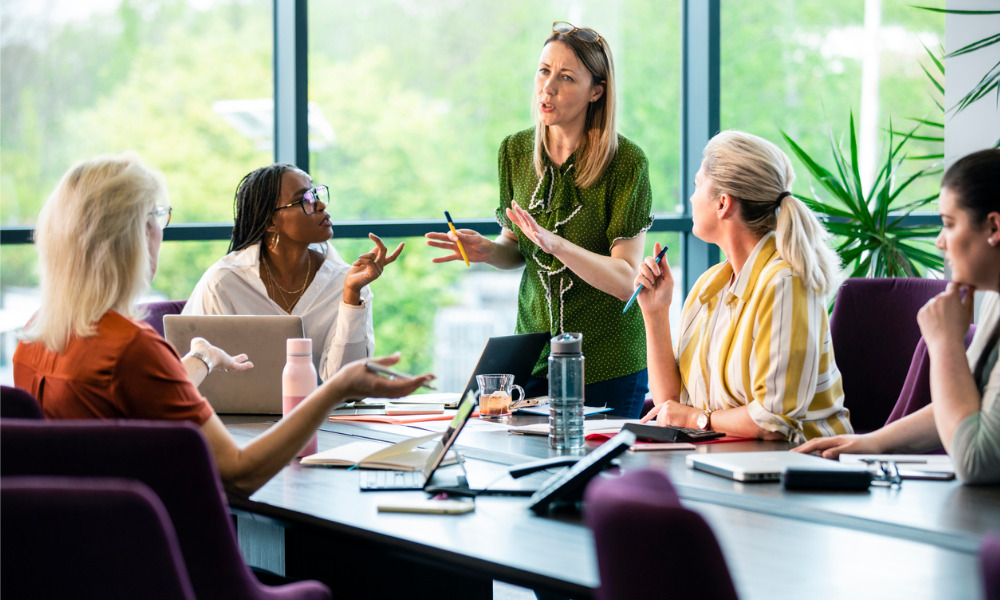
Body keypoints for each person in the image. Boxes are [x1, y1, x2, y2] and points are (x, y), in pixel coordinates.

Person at [12, 153, 433, 497]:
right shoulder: (131, 350)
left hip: (77, 555)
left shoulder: (32, 340)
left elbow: (143, 402)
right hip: (168, 560)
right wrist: (339, 387)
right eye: (157, 217)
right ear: (135, 236)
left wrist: (199, 358)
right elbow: (238, 474)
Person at [425, 22, 653, 417]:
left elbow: (626, 281)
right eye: (544, 70)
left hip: (607, 363)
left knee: (599, 477)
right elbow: (515, 248)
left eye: (566, 78)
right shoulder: (514, 152)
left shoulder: (627, 164)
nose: (547, 88)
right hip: (535, 359)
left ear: (596, 91)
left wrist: (557, 244)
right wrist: (489, 251)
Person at [796, 148, 1000, 484]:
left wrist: (946, 343)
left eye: (949, 224)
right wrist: (870, 442)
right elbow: (965, 408)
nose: (940, 242)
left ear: (993, 227)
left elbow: (976, 461)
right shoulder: (994, 299)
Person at [635, 130, 852, 442]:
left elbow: (772, 421)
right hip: (724, 460)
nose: (692, 197)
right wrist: (656, 313)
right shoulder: (710, 285)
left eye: (697, 185)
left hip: (798, 470)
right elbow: (670, 401)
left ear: (723, 203)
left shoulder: (785, 285)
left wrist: (699, 419)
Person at [184, 163, 402, 381]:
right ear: (270, 221)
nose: (321, 204)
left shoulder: (346, 280)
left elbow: (348, 383)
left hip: (327, 415)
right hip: (238, 416)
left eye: (317, 194)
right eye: (305, 199)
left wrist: (351, 295)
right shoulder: (223, 282)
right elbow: (193, 377)